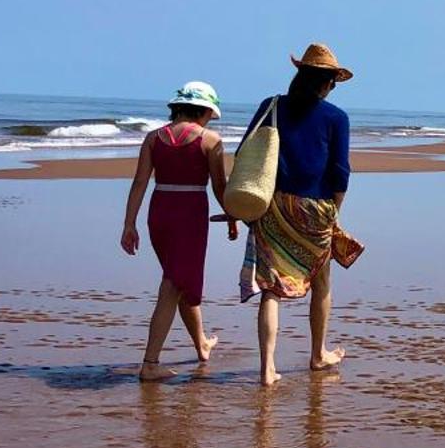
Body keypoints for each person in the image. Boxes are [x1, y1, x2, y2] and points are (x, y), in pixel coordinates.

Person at [235, 43, 355, 387]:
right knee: (320, 280)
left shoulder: (271, 106)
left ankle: (267, 369)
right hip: (316, 207)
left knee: (272, 288)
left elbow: (246, 154)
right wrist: (334, 213)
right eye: (332, 82)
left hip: (272, 204)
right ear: (328, 82)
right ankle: (318, 355)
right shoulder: (336, 118)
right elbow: (340, 173)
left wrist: (241, 207)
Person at [121, 81, 235, 381]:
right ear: (204, 110)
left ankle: (201, 345)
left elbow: (139, 182)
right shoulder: (211, 140)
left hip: (159, 212)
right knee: (172, 285)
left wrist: (129, 223)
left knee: (181, 280)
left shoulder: (152, 138)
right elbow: (220, 187)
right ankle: (150, 363)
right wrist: (235, 215)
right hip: (190, 214)